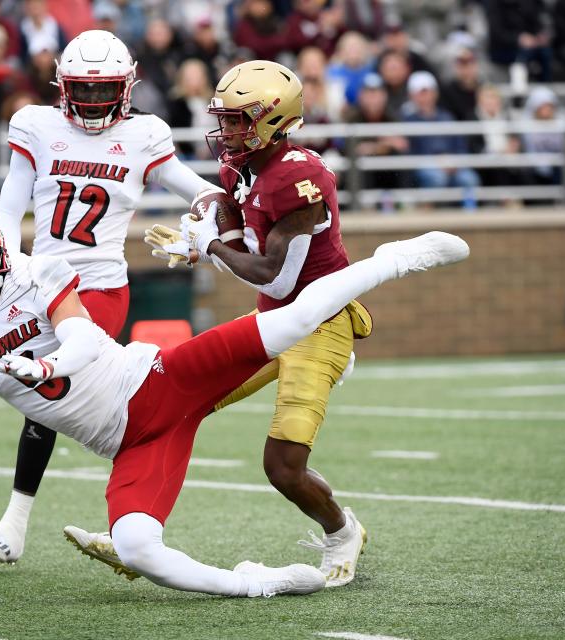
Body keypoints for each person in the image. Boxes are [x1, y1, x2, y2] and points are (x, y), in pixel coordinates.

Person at [0, 207, 470, 597]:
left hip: (156, 381)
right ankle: (254, 584)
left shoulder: (37, 273)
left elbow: (87, 338)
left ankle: (394, 260)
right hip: (131, 441)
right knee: (138, 547)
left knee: (289, 322)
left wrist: (44, 364)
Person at [109, 59, 379, 589]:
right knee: (174, 402)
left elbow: (277, 279)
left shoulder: (302, 178)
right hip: (271, 320)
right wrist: (205, 233)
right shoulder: (241, 166)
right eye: (225, 119)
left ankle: (343, 531)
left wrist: (207, 246)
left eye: (238, 119)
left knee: (282, 467)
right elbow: (244, 239)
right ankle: (139, 534)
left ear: (275, 119)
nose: (227, 130)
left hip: (316, 322)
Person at [0, 30, 223, 565]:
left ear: (125, 87)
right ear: (62, 87)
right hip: (39, 280)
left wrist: (209, 222)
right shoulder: (35, 125)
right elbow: (9, 209)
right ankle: (125, 518)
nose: (90, 103)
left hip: (100, 290)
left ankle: (18, 525)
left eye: (101, 90)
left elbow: (198, 189)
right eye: (82, 91)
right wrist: (9, 266)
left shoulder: (143, 135)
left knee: (51, 393)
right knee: (35, 388)